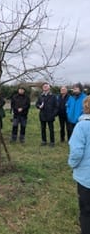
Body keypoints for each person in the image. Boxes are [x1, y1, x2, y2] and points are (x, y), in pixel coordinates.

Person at [68, 96, 90, 234]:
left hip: (86, 177)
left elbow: (76, 152)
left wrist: (72, 164)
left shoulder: (82, 126)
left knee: (87, 211)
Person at [36, 82, 58, 147]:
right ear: (42, 88)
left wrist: (53, 114)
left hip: (50, 115)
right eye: (44, 86)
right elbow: (37, 104)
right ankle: (44, 141)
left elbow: (56, 106)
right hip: (42, 115)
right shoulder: (40, 96)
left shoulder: (53, 96)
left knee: (51, 129)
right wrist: (39, 106)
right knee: (43, 129)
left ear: (49, 87)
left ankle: (52, 142)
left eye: (46, 86)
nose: (45, 87)